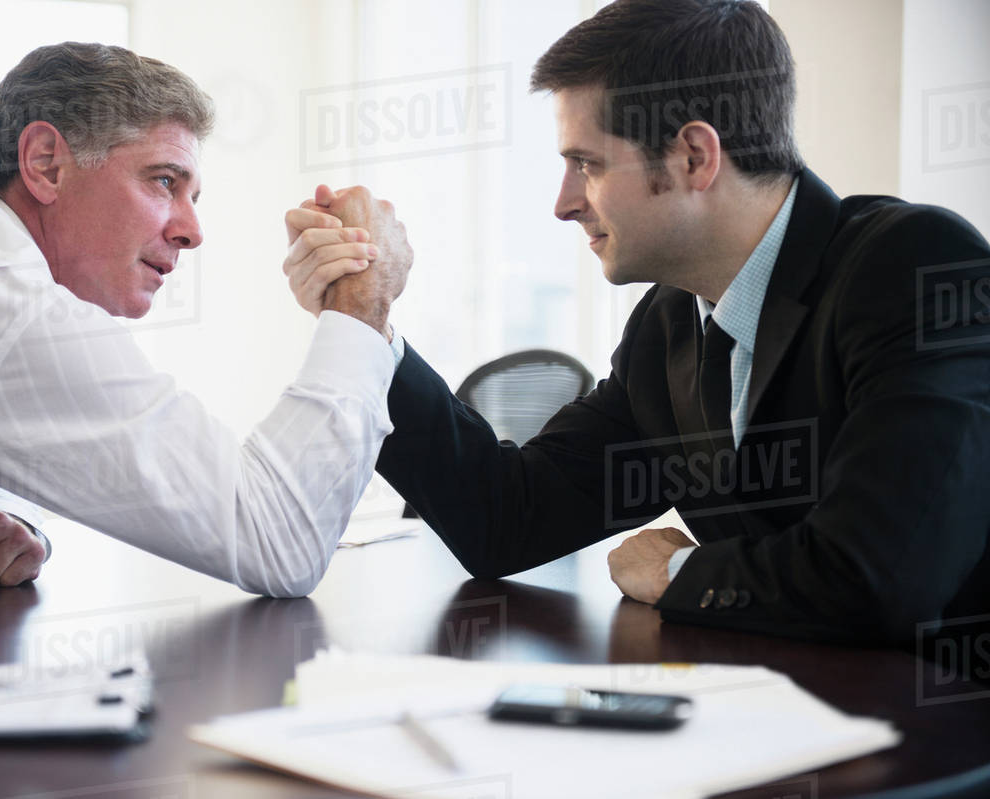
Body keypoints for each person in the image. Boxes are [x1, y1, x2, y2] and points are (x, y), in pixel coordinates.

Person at [284, 0, 990, 644]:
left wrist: (683, 570)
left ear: (693, 156)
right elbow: (508, 517)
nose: (563, 204)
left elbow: (880, 574)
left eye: (586, 164)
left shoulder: (915, 268)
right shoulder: (671, 324)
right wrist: (367, 326)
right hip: (780, 730)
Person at [0, 42, 410, 594]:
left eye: (193, 196)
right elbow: (276, 541)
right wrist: (361, 305)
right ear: (45, 164)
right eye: (164, 181)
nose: (192, 231)